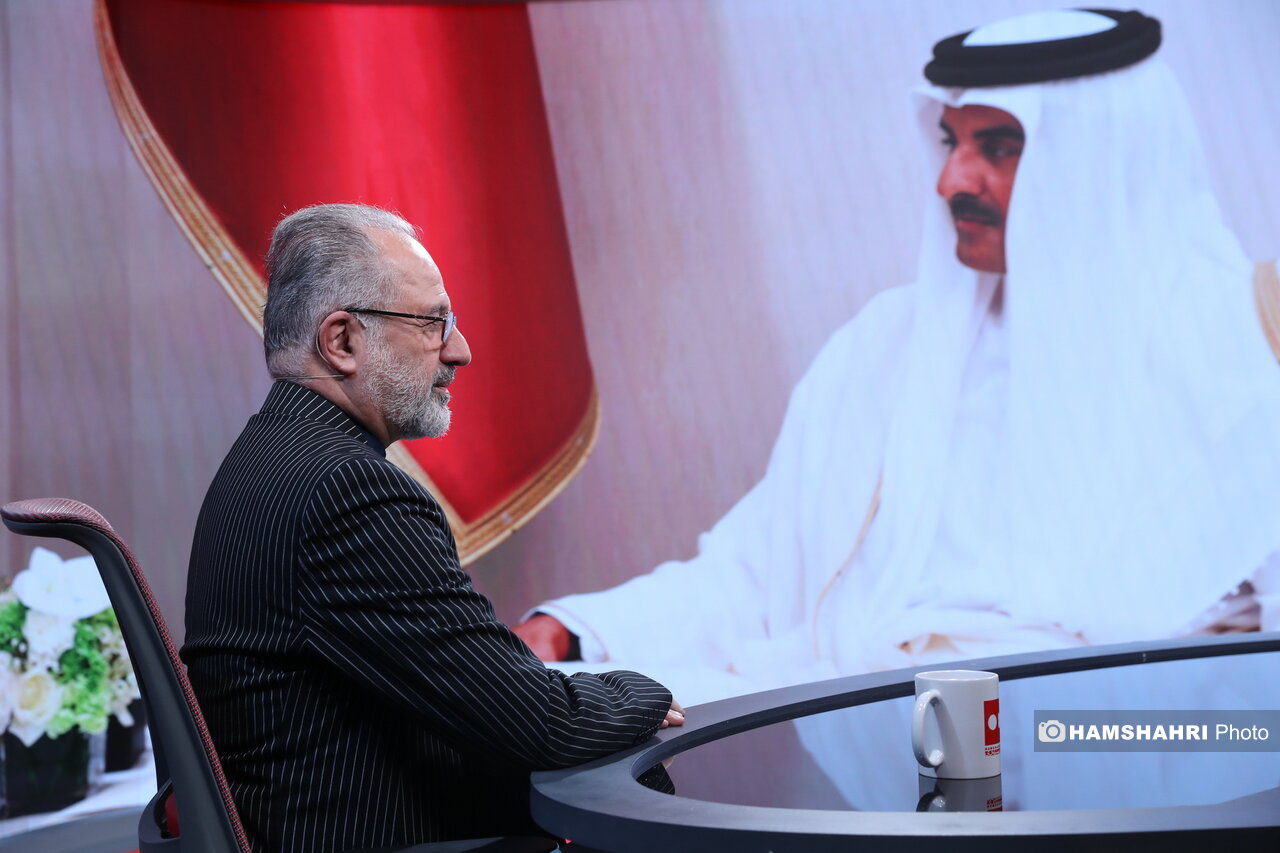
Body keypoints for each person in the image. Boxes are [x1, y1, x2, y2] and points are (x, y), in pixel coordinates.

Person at [514, 8, 1280, 698]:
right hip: (873, 719)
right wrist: (579, 632)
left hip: (1139, 752)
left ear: (1107, 157)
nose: (951, 180)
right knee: (542, 705)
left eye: (999, 146)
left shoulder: (1249, 344)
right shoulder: (887, 347)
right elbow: (757, 575)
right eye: (951, 142)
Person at [183, 204, 683, 852]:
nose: (459, 350)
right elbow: (542, 724)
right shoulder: (349, 492)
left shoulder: (265, 459)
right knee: (631, 780)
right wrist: (646, 690)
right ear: (342, 342)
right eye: (432, 323)